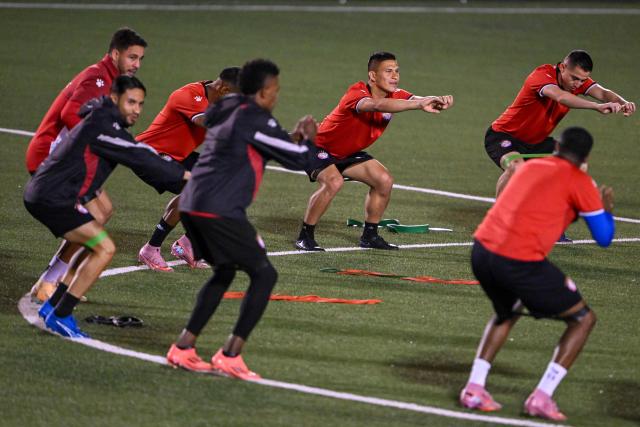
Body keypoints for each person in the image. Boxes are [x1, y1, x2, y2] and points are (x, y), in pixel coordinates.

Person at [166, 59, 317, 379]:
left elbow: (256, 140)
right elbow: (299, 160)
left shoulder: (228, 105)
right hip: (218, 208)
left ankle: (183, 347)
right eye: (275, 90)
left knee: (225, 271)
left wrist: (288, 137)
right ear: (263, 93)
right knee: (264, 275)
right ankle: (230, 354)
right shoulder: (258, 119)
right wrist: (309, 138)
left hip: (192, 203)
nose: (277, 96)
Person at [460, 127, 615, 421]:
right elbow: (604, 236)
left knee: (509, 310)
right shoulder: (581, 181)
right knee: (582, 319)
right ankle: (542, 397)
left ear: (557, 147)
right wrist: (605, 210)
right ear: (587, 157)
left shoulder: (532, 167)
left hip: (481, 251)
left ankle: (474, 388)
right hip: (518, 261)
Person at [25, 76, 189, 338]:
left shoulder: (102, 117)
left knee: (94, 240)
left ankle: (53, 306)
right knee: (105, 247)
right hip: (52, 197)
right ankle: (61, 314)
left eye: (140, 104)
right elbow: (140, 156)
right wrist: (187, 177)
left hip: (54, 193)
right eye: (131, 102)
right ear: (114, 100)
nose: (137, 109)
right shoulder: (105, 128)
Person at [27, 27, 148, 303]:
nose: (136, 65)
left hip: (65, 161)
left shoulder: (111, 80)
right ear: (115, 54)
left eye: (140, 59)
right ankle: (51, 282)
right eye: (132, 57)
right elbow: (70, 114)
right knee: (96, 215)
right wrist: (100, 140)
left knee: (102, 211)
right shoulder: (97, 78)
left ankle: (55, 280)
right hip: (50, 158)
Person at [295, 51, 453, 251]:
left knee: (384, 180)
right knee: (334, 182)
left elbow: (413, 98)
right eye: (388, 71)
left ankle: (370, 236)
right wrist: (418, 104)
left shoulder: (395, 96)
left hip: (348, 153)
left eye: (397, 71)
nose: (395, 76)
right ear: (372, 76)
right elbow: (376, 105)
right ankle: (305, 236)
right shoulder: (357, 93)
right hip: (318, 147)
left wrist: (435, 99)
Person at [486, 50, 635, 198]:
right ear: (562, 67)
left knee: (578, 163)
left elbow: (603, 93)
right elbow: (561, 97)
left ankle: (552, 207)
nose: (578, 84)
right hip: (504, 136)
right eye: (575, 78)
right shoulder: (541, 76)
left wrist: (623, 102)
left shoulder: (576, 82)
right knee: (516, 168)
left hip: (537, 144)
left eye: (583, 80)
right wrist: (596, 106)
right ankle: (500, 216)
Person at [136, 67, 240, 272]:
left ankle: (186, 243)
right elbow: (204, 121)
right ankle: (150, 249)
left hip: (178, 156)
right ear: (225, 89)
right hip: (149, 154)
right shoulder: (189, 95)